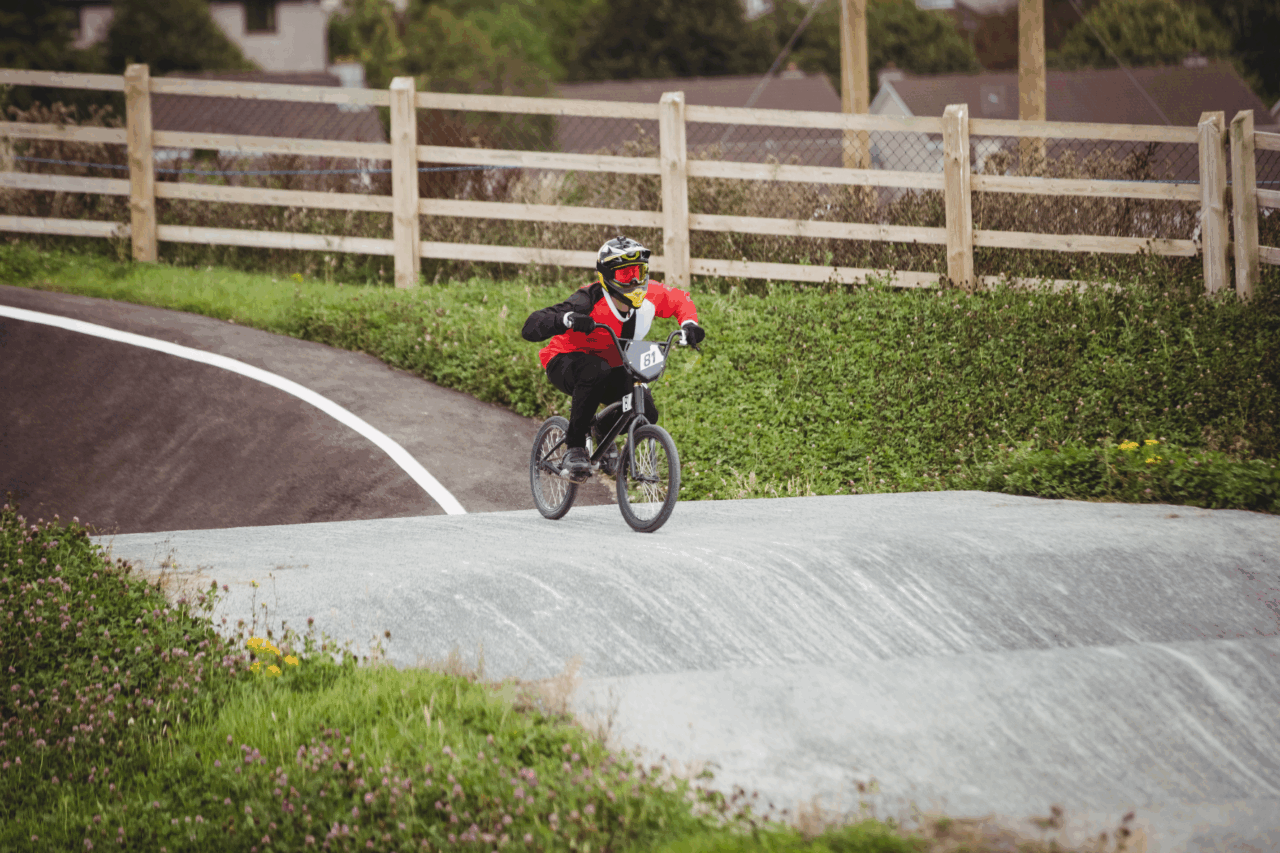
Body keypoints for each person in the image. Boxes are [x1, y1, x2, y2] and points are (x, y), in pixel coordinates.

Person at [522, 236, 706, 481]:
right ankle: (575, 448)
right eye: (624, 275)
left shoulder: (650, 296)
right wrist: (566, 319)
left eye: (638, 272)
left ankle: (600, 429)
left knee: (646, 409)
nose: (633, 281)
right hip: (564, 360)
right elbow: (531, 326)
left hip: (614, 362)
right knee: (595, 369)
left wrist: (689, 324)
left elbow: (679, 300)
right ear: (608, 276)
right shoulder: (587, 300)